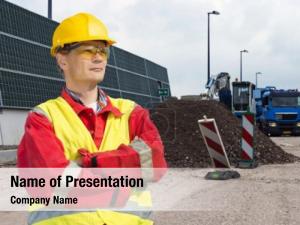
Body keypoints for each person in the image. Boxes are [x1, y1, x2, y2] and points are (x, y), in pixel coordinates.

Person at [18, 12, 167, 225]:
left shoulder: (131, 112)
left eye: (103, 51)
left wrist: (89, 162)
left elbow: (154, 163)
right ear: (62, 59)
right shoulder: (43, 118)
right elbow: (52, 183)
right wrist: (124, 178)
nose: (98, 57)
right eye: (88, 50)